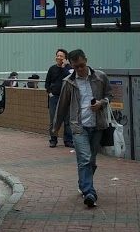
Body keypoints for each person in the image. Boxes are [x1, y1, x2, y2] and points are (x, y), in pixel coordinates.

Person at [53, 49, 111, 208]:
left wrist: (101, 103)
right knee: (85, 159)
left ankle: (83, 182)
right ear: (71, 65)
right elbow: (62, 106)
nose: (80, 69)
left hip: (97, 125)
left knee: (91, 161)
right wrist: (56, 127)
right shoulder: (69, 82)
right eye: (76, 66)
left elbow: (109, 95)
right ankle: (89, 192)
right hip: (78, 127)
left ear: (86, 60)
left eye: (82, 65)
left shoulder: (100, 77)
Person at [45, 48, 73, 148]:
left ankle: (68, 140)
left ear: (65, 58)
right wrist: (50, 93)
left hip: (67, 97)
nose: (59, 58)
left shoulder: (69, 68)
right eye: (58, 55)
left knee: (67, 120)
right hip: (54, 97)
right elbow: (47, 83)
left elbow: (71, 78)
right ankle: (53, 140)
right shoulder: (52, 68)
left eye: (61, 56)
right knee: (53, 120)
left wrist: (64, 67)